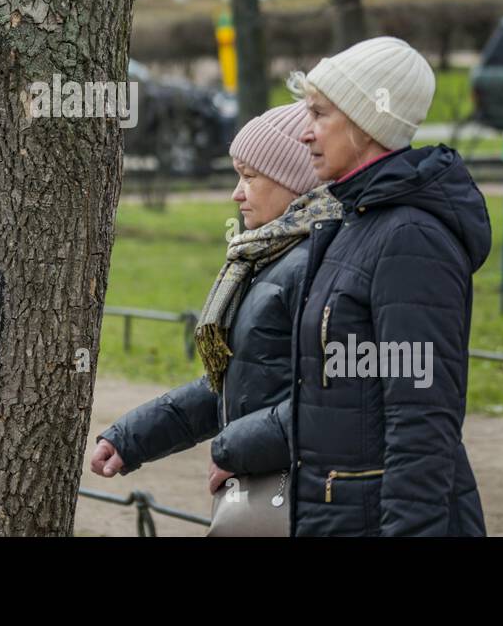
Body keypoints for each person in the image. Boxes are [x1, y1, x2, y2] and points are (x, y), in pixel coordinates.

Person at [90, 102, 343, 513]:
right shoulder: (268, 258)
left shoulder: (313, 266)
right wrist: (131, 438)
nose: (236, 192)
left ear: (296, 181)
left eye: (249, 177)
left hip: (303, 499)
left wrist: (235, 449)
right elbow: (239, 385)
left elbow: (332, 401)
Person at [288, 35, 490, 536]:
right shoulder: (355, 221)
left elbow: (422, 418)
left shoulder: (410, 239)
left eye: (319, 114)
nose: (304, 134)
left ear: (366, 122)